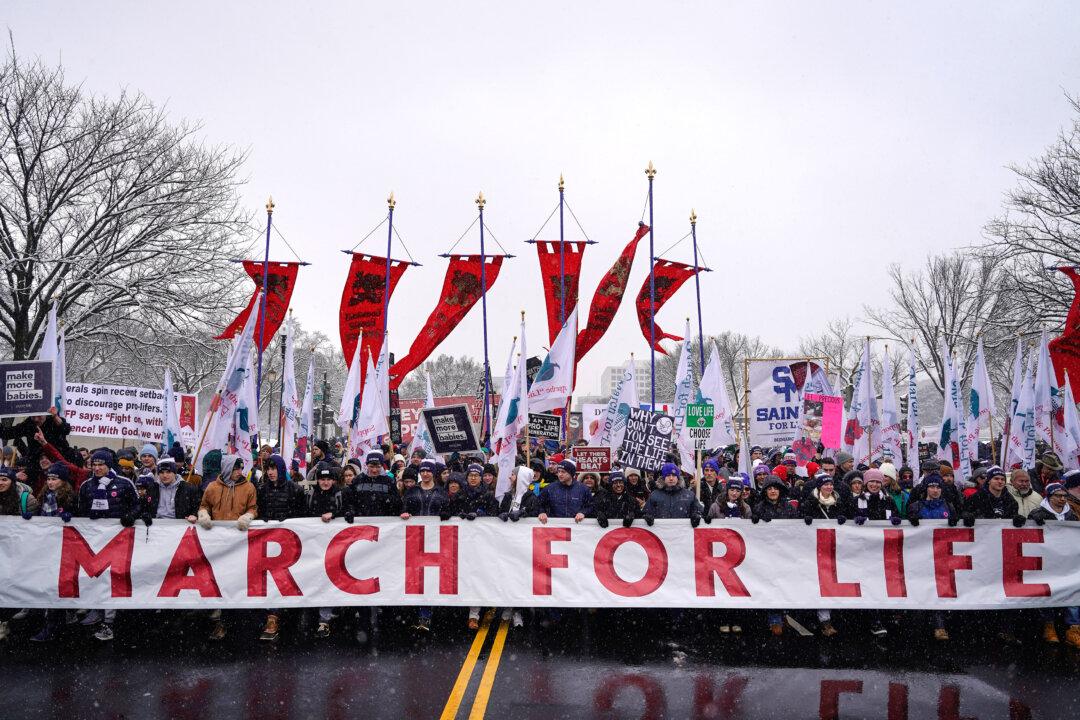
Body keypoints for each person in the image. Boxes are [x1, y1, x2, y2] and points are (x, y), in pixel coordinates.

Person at [75, 449, 138, 641]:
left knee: (114, 578)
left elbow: (137, 505)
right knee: (95, 576)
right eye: (94, 465)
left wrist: (130, 516)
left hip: (117, 539)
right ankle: (96, 610)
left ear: (109, 465)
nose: (97, 468)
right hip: (95, 540)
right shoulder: (87, 485)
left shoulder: (124, 483)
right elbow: (80, 509)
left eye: (101, 465)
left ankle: (109, 621)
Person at [197, 454, 258, 641]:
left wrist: (248, 516)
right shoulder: (212, 487)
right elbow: (204, 505)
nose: (239, 472)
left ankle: (238, 623)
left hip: (239, 542)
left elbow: (253, 507)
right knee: (219, 581)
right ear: (227, 469)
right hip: (217, 543)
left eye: (241, 469)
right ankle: (220, 623)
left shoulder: (249, 487)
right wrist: (203, 514)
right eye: (236, 469)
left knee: (237, 581)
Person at [255, 453, 305, 642]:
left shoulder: (295, 490)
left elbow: (303, 514)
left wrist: (290, 519)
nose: (270, 472)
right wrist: (262, 520)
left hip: (288, 542)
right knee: (271, 579)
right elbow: (258, 510)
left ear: (281, 469)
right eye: (268, 468)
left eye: (274, 468)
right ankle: (272, 616)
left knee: (288, 579)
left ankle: (289, 615)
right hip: (268, 542)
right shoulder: (262, 489)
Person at [400, 458, 452, 633]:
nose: (425, 473)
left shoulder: (441, 492)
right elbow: (403, 508)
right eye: (422, 471)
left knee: (432, 578)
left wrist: (446, 514)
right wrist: (404, 513)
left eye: (428, 471)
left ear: (433, 473)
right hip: (415, 539)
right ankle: (419, 614)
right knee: (416, 578)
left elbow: (448, 509)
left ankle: (427, 615)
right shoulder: (412, 491)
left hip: (435, 541)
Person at [1027, 481, 1080, 647]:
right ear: (1049, 497)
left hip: (1068, 562)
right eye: (1058, 496)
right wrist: (1032, 521)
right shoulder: (1038, 513)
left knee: (1073, 592)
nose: (1062, 499)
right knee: (1048, 593)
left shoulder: (1071, 515)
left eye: (1064, 496)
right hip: (1047, 562)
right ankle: (1048, 626)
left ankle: (1073, 628)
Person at [801, 476, 850, 638]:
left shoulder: (839, 502)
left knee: (834, 581)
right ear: (819, 487)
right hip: (815, 549)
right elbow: (800, 517)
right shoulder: (811, 502)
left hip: (836, 549)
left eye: (830, 484)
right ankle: (824, 620)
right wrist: (805, 519)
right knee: (820, 582)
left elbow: (848, 516)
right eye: (825, 484)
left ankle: (833, 618)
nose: (829, 487)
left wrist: (845, 519)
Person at [306, 466, 346, 638]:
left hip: (333, 545)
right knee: (313, 578)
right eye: (322, 479)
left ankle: (325, 619)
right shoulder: (310, 494)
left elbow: (347, 511)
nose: (325, 482)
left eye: (328, 479)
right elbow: (303, 512)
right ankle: (312, 615)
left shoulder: (339, 494)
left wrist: (334, 514)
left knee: (330, 578)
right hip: (313, 544)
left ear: (334, 481)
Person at [345, 452, 402, 519]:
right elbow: (350, 500)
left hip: (383, 523)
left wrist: (387, 499)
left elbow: (397, 503)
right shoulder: (358, 480)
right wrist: (350, 511)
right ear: (366, 465)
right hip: (361, 522)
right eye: (371, 466)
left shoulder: (389, 481)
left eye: (378, 467)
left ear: (382, 466)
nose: (374, 470)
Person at [538, 459, 593, 524]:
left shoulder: (583, 489)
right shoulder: (550, 488)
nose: (560, 474)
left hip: (576, 528)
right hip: (555, 527)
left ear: (571, 473)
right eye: (558, 471)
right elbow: (538, 503)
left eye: (563, 472)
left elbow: (591, 506)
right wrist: (541, 512)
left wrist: (583, 512)